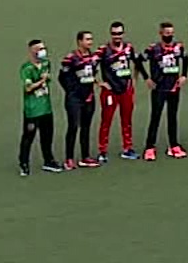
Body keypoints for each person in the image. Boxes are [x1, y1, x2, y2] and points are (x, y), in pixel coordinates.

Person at [96, 21, 144, 162]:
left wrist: (134, 80)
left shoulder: (129, 48)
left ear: (123, 34)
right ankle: (102, 151)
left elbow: (138, 63)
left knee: (127, 120)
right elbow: (89, 65)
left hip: (126, 90)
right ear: (111, 34)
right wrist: (99, 83)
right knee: (106, 121)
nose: (117, 36)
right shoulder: (103, 50)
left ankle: (127, 148)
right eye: (114, 34)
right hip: (110, 91)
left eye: (119, 33)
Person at [142, 21, 188, 161]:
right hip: (159, 88)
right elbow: (139, 60)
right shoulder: (153, 49)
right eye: (167, 33)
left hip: (174, 87)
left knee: (172, 117)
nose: (170, 35)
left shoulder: (178, 47)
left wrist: (184, 75)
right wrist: (147, 78)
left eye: (171, 33)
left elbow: (186, 58)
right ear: (161, 33)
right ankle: (150, 147)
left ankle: (174, 145)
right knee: (155, 117)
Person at [18, 39, 62, 177]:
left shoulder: (46, 64)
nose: (43, 50)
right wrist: (42, 80)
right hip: (33, 110)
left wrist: (45, 79)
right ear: (32, 51)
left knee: (47, 136)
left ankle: (48, 161)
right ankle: (24, 163)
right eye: (40, 48)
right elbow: (28, 88)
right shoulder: (26, 68)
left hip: (46, 108)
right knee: (28, 137)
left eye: (44, 47)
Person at [58, 31, 99, 168]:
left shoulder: (93, 57)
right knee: (73, 127)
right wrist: (71, 91)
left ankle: (85, 157)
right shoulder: (70, 59)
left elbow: (92, 74)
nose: (90, 42)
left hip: (89, 97)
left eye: (91, 39)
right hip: (74, 99)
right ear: (79, 41)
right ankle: (69, 158)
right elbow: (62, 77)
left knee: (86, 127)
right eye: (87, 39)